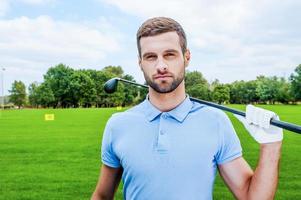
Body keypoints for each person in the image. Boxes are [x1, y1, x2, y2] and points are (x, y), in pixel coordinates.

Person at [91, 17, 283, 200]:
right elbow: (102, 195)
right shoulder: (118, 125)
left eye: (169, 54)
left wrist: (271, 144)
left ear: (187, 57)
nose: (161, 66)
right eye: (150, 57)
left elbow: (251, 196)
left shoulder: (216, 121)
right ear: (140, 63)